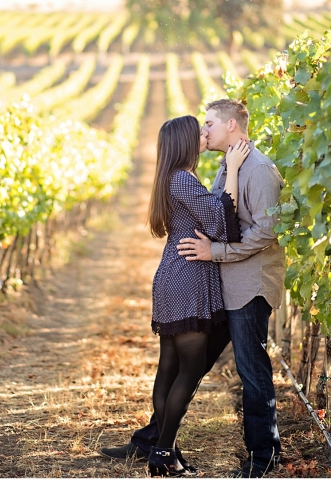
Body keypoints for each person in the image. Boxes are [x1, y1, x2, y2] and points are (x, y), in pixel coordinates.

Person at [101, 100, 285, 478]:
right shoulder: (208, 172)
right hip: (200, 283)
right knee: (186, 368)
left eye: (209, 124)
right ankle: (160, 447)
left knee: (221, 369)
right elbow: (221, 220)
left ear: (231, 126)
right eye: (199, 128)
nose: (204, 132)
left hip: (240, 287)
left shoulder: (259, 169)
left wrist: (215, 249)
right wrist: (216, 244)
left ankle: (258, 456)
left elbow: (263, 231)